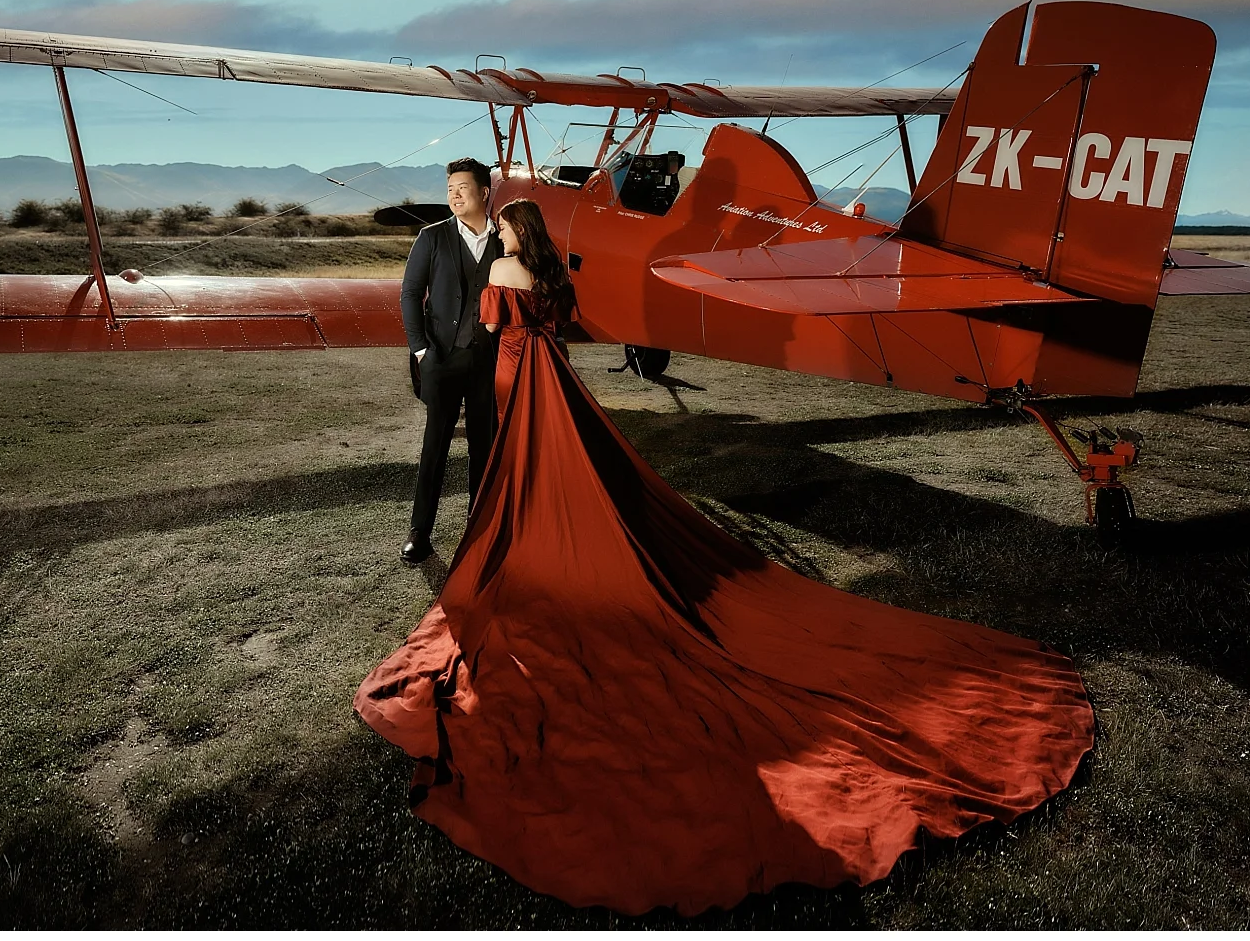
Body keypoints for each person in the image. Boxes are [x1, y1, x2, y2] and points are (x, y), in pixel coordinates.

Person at [357, 197, 1095, 916]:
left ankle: (517, 538)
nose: (503, 229)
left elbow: (489, 333)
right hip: (554, 375)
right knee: (566, 464)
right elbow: (562, 323)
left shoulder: (504, 277)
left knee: (517, 466)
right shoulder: (551, 280)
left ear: (517, 232)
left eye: (508, 223)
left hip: (515, 376)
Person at [397, 158, 503, 564]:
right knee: (434, 446)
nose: (454, 195)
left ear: (484, 192)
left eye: (462, 187)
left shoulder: (504, 241)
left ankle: (479, 528)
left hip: (486, 361)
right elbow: (410, 294)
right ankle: (420, 532)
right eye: (449, 189)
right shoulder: (432, 237)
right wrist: (422, 349)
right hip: (440, 358)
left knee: (484, 446)